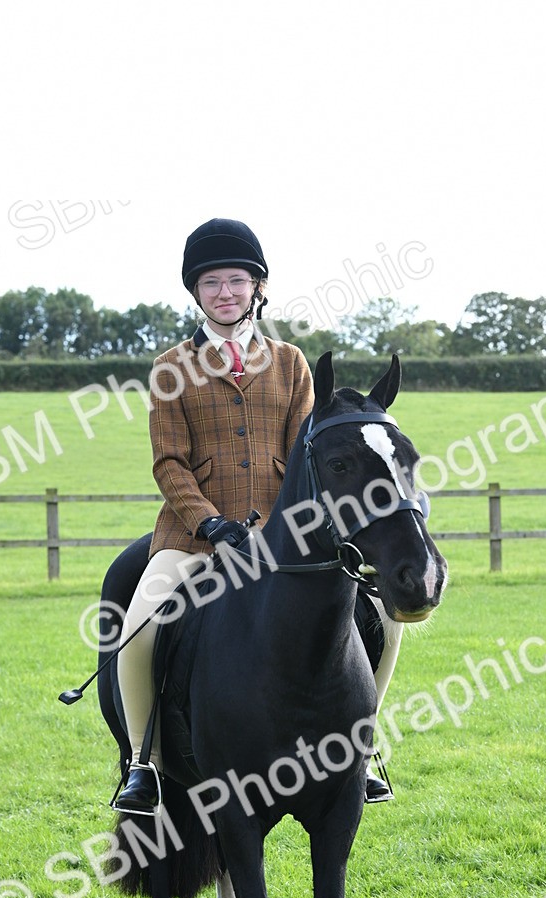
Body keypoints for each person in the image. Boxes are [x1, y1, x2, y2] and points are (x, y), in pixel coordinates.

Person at [113, 218, 400, 814]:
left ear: (258, 287)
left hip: (284, 538)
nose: (225, 292)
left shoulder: (292, 363)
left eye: (236, 281)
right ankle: (146, 764)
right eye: (212, 282)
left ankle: (364, 743)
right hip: (193, 539)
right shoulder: (171, 368)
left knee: (386, 616)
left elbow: (310, 457)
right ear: (195, 291)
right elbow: (168, 462)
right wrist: (210, 523)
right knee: (139, 627)